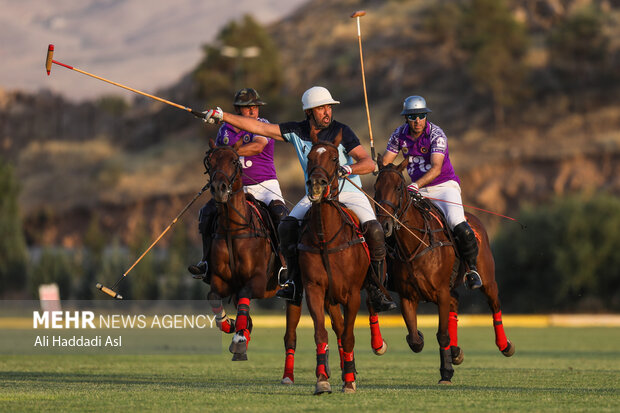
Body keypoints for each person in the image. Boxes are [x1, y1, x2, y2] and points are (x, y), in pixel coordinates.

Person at [203, 86, 396, 312]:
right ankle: (293, 281)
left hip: (348, 191)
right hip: (315, 195)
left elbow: (368, 162)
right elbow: (258, 127)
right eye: (321, 108)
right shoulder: (296, 131)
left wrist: (346, 169)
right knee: (287, 226)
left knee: (374, 229)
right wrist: (222, 116)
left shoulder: (342, 131)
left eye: (329, 107)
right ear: (309, 112)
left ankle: (376, 287)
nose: (327, 112)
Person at [380, 95, 483, 289]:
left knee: (456, 222)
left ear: (426, 115)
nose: (417, 120)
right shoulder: (398, 135)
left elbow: (436, 168)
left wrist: (415, 185)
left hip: (444, 187)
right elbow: (386, 161)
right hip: (417, 189)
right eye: (412, 116)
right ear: (406, 118)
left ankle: (471, 269)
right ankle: (391, 273)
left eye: (421, 115)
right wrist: (378, 166)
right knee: (394, 223)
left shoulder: (436, 134)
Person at [188, 88, 288, 278]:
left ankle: (283, 264)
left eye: (255, 108)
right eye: (247, 108)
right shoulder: (224, 130)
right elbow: (219, 156)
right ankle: (207, 261)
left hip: (265, 185)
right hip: (236, 188)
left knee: (280, 215)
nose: (252, 112)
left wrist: (231, 154)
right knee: (207, 213)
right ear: (237, 109)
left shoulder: (263, 124)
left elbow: (258, 146)